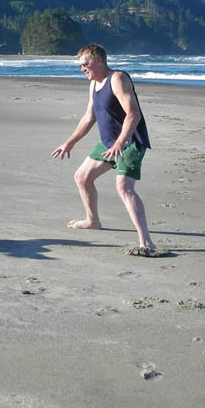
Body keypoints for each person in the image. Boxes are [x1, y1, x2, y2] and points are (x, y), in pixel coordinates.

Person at [51, 43, 160, 256]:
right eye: (80, 65)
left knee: (124, 188)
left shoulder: (117, 79)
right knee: (82, 177)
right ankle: (92, 221)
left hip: (130, 143)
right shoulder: (94, 84)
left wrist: (120, 143)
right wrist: (70, 142)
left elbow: (133, 114)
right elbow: (89, 117)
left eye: (85, 64)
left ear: (99, 60)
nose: (82, 68)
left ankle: (146, 242)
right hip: (109, 143)